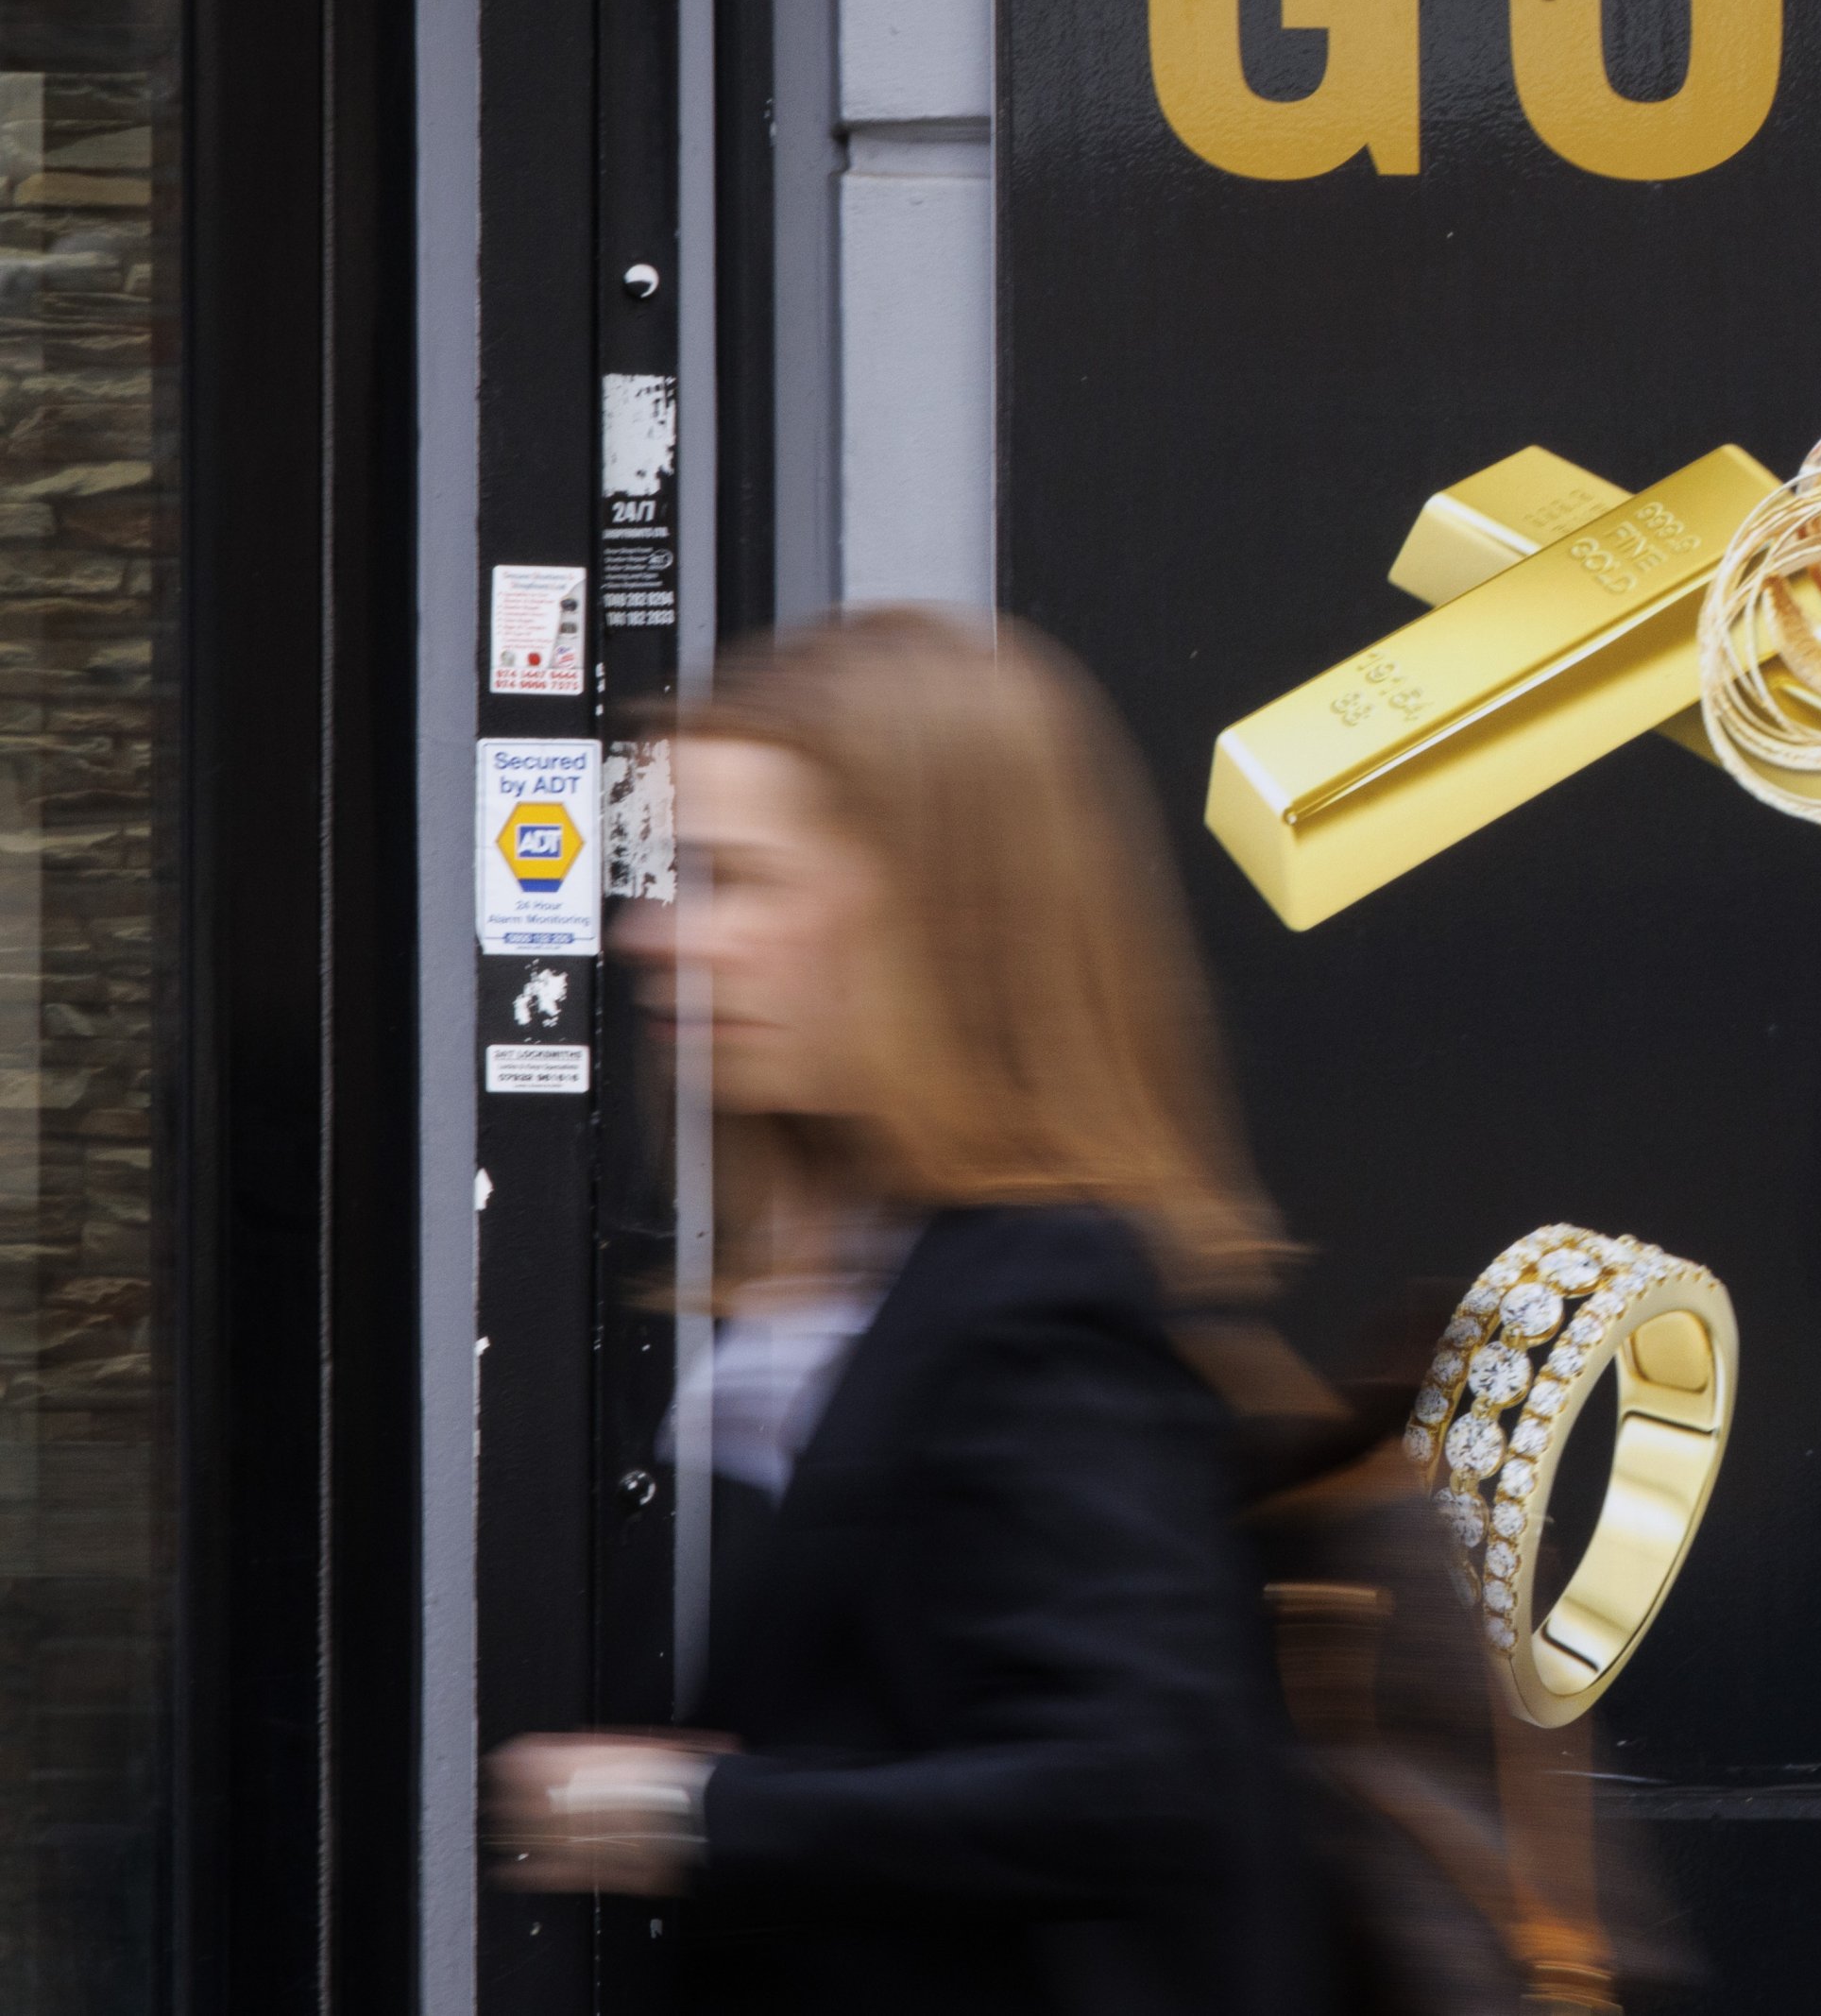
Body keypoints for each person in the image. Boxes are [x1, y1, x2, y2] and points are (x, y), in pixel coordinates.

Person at [485, 609, 1321, 2016]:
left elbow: (1132, 1781)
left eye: (732, 878)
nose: (655, 933)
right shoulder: (880, 1260)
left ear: (935, 921)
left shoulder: (1043, 1295)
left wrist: (689, 1812)